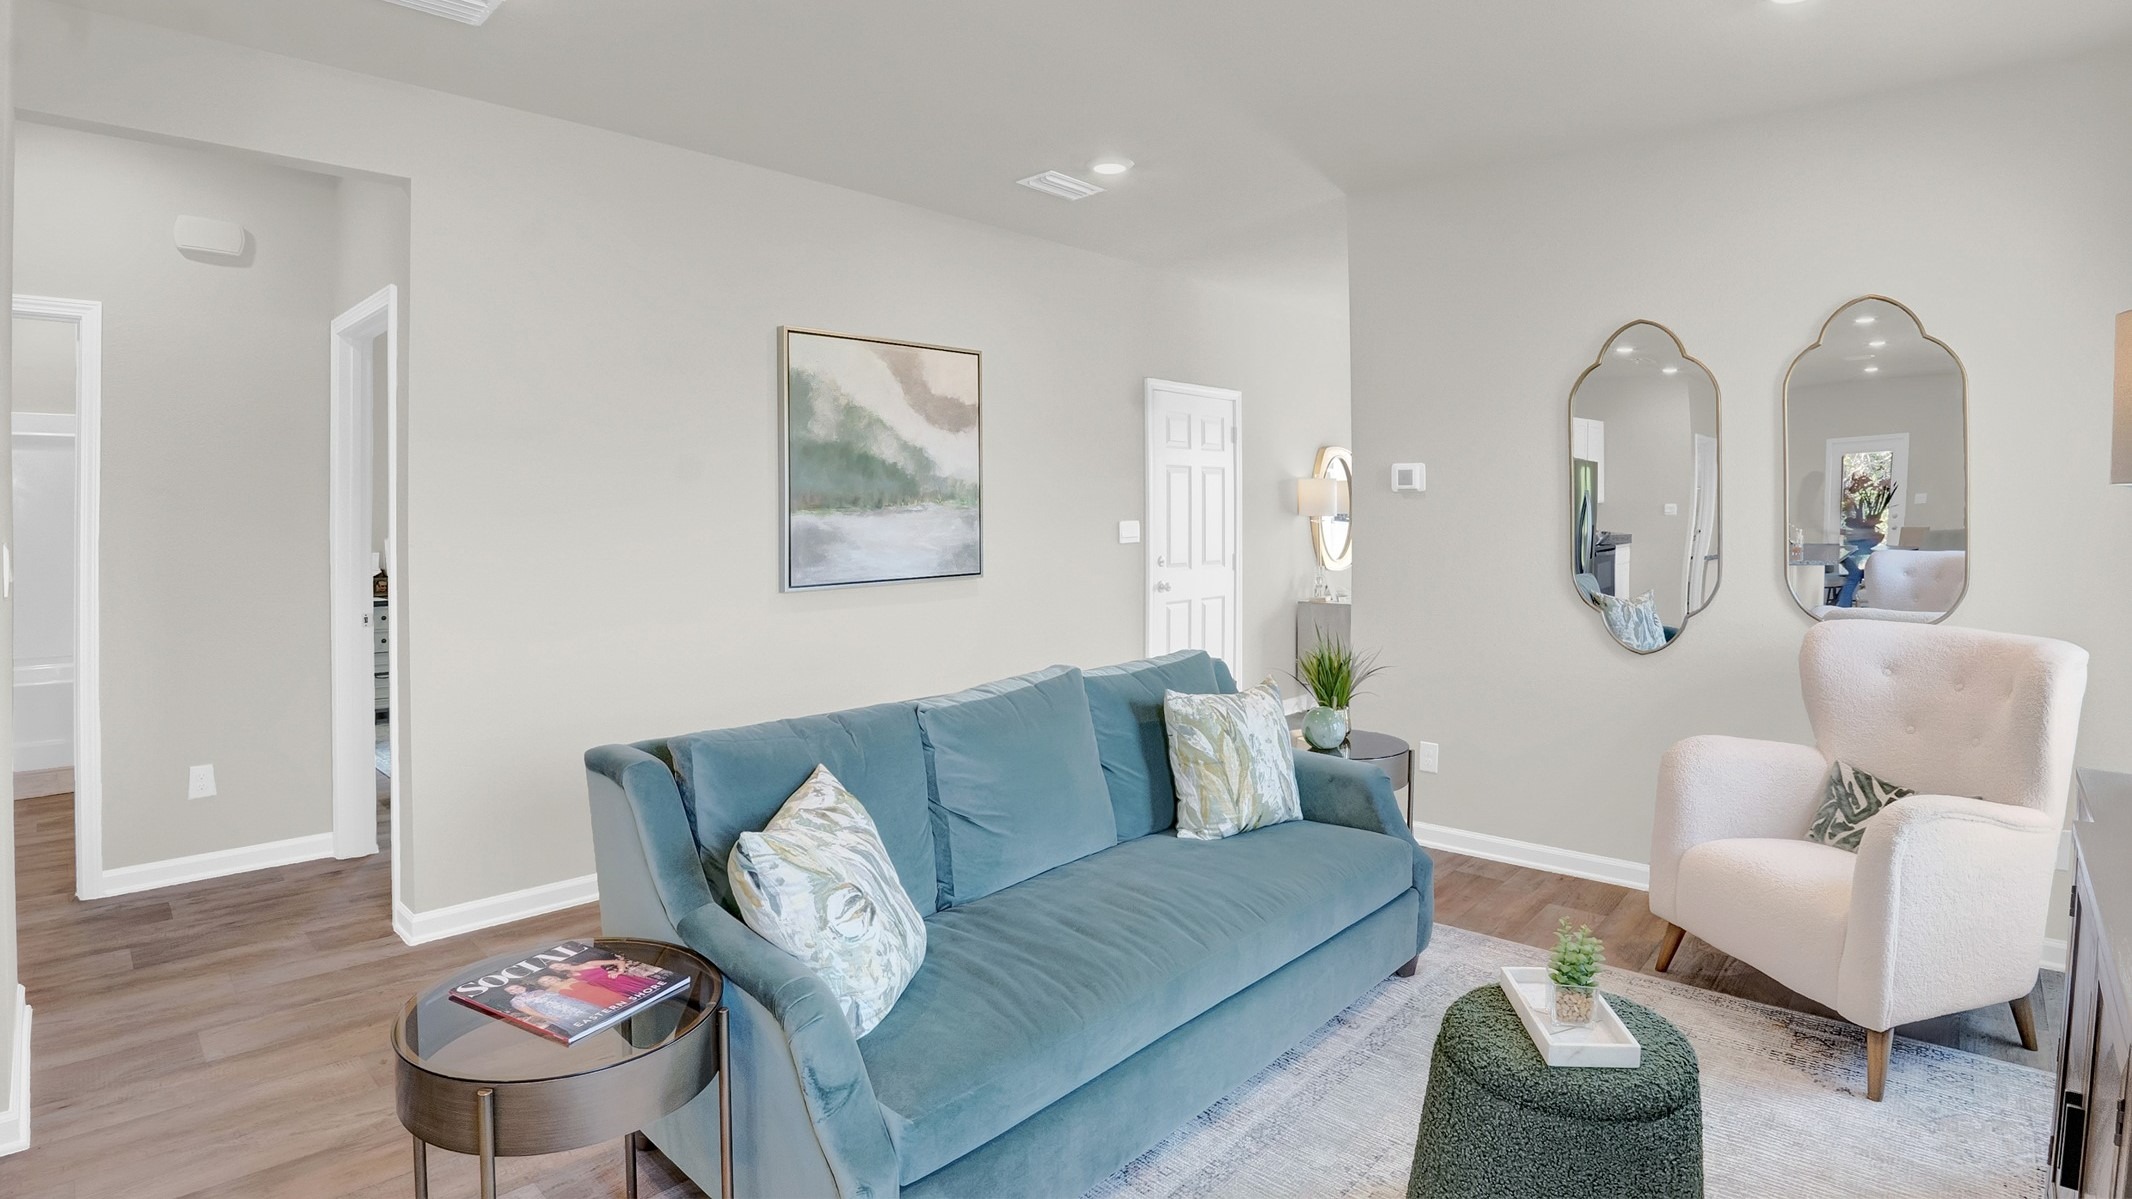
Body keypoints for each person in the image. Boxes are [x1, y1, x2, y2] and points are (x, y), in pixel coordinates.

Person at [506, 977, 605, 1030]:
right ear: (510, 993)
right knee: (585, 1024)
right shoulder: (516, 1001)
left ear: (521, 986)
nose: (515, 990)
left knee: (597, 1015)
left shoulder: (539, 991)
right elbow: (530, 1011)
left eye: (516, 987)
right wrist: (548, 1018)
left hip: (572, 1005)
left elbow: (563, 997)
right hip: (557, 1013)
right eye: (512, 990)